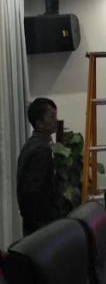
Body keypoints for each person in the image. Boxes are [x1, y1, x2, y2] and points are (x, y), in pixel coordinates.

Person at [16, 98, 70, 236]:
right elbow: (34, 194)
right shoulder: (41, 150)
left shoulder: (32, 144)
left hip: (36, 225)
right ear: (39, 123)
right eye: (51, 117)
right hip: (41, 226)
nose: (56, 121)